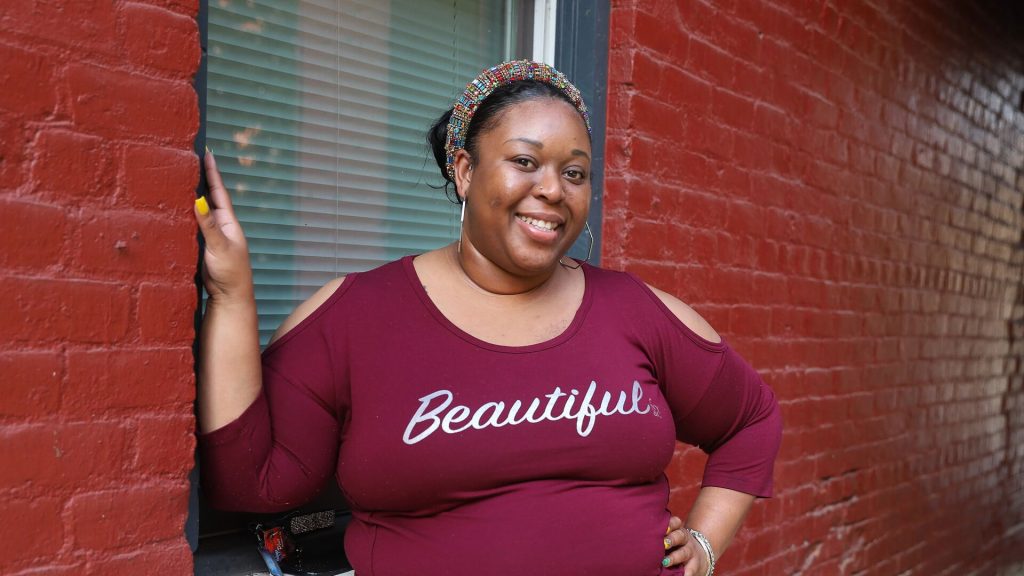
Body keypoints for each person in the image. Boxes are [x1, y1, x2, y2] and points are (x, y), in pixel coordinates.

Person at [195, 60, 782, 576]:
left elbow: (750, 418)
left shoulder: (633, 310)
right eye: (525, 161)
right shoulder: (356, 317)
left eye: (574, 173)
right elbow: (254, 481)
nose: (552, 189)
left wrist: (703, 544)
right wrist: (231, 295)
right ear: (466, 171)